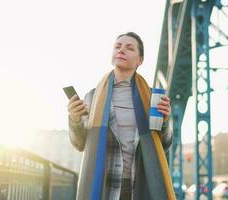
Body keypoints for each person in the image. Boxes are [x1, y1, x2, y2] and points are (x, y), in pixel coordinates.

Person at [67, 32, 175, 200]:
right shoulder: (93, 97)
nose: (121, 50)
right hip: (104, 186)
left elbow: (165, 144)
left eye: (129, 48)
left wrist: (165, 122)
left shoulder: (153, 99)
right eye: (117, 46)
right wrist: (74, 120)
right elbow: (80, 144)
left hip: (140, 186)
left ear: (140, 60)